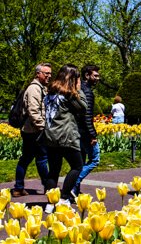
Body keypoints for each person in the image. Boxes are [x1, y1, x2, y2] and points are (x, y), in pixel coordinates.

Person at [40, 64, 87, 210]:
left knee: (54, 170)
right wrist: (79, 89)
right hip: (66, 136)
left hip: (51, 136)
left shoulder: (51, 92)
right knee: (77, 166)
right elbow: (83, 108)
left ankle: (50, 203)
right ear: (72, 79)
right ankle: (65, 197)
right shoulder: (68, 95)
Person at [13, 63, 51, 197]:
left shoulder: (40, 88)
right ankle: (48, 187)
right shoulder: (34, 89)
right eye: (46, 73)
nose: (49, 76)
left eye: (50, 73)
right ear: (38, 74)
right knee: (42, 158)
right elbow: (33, 110)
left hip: (30, 129)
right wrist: (42, 127)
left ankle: (18, 188)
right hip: (34, 130)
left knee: (26, 158)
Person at [73, 65, 101, 197]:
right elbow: (87, 115)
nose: (97, 78)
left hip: (77, 131)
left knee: (80, 162)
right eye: (95, 75)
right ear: (87, 75)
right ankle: (73, 184)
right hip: (85, 133)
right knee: (95, 159)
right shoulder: (87, 92)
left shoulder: (79, 89)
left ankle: (75, 190)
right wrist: (93, 135)